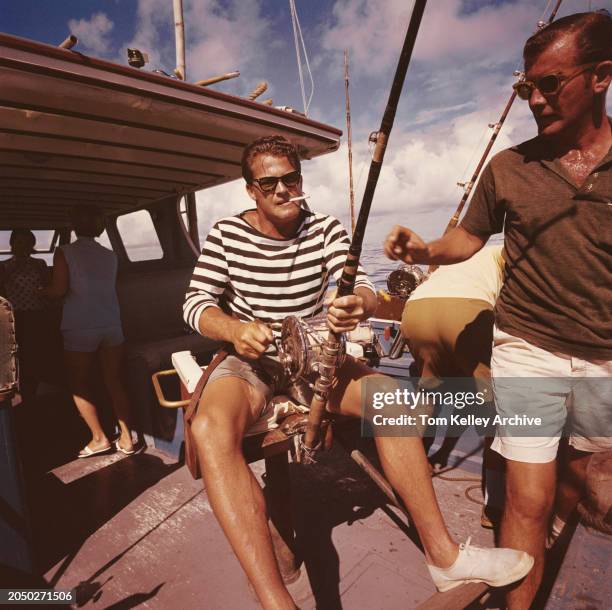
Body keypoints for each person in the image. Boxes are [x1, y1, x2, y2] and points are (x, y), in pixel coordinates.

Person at [183, 135, 533, 608]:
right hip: (251, 362)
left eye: (291, 179)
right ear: (251, 190)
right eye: (270, 184)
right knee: (208, 427)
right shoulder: (226, 234)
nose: (283, 190)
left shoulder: (326, 229)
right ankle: (274, 599)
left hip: (316, 358)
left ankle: (445, 557)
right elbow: (195, 304)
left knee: (395, 399)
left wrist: (356, 305)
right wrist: (234, 328)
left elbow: (364, 287)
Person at [384, 12, 611, 609]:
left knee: (580, 478)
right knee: (527, 496)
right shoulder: (510, 166)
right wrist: (426, 249)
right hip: (527, 346)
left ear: (601, 77)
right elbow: (466, 240)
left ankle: (548, 545)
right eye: (523, 88)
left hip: (604, 357)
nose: (534, 99)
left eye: (549, 84)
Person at [401, 246, 506, 526]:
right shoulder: (504, 253)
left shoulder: (452, 257)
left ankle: (411, 478)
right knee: (491, 412)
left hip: (416, 310)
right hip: (465, 311)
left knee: (427, 395)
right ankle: (493, 507)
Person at [42, 206, 135, 457]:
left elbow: (59, 290)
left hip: (80, 325)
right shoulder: (110, 255)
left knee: (78, 384)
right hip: (111, 323)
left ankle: (99, 438)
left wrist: (42, 291)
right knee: (114, 380)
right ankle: (127, 439)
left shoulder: (65, 252)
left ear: (73, 226)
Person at [0, 230, 49, 404]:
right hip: (14, 316)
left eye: (27, 243)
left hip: (37, 314)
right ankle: (16, 390)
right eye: (19, 242)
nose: (23, 246)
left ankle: (33, 390)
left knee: (35, 352)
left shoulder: (40, 263)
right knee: (15, 354)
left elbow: (48, 285)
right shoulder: (4, 265)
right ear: (12, 245)